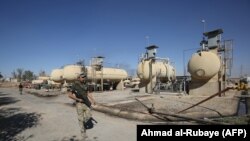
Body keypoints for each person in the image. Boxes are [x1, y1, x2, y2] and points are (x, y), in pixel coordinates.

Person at [68, 73, 96, 140]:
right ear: (79, 78)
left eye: (84, 77)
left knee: (88, 115)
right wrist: (77, 99)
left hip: (86, 103)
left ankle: (84, 123)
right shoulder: (74, 85)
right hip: (79, 104)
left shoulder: (85, 84)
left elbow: (87, 93)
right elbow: (69, 95)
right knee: (81, 119)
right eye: (82, 77)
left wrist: (92, 99)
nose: (84, 78)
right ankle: (83, 132)